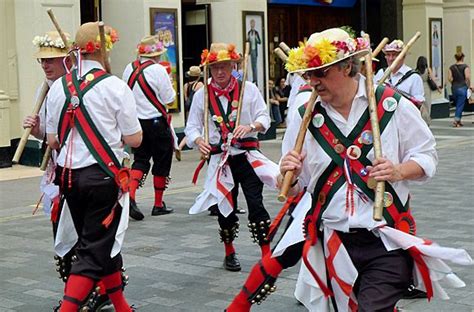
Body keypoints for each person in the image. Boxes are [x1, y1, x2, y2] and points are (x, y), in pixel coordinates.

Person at [226, 27, 472, 312]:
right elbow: (296, 186)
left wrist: (398, 171)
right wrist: (287, 174)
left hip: (386, 240)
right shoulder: (302, 114)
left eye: (321, 73)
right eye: (308, 74)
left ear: (346, 67)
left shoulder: (391, 105)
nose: (313, 81)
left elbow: (427, 156)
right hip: (333, 241)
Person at [46, 22, 142, 312]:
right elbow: (134, 139)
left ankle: (122, 307)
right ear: (104, 48)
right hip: (101, 179)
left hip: (68, 179)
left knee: (100, 245)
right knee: (91, 250)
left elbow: (52, 140)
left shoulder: (59, 87)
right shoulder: (115, 86)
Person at [185, 43, 279, 272]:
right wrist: (199, 141)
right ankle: (230, 252)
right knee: (225, 207)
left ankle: (266, 254)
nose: (220, 72)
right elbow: (191, 128)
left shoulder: (249, 89)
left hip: (247, 156)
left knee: (256, 204)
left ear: (234, 65)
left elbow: (264, 118)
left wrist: (250, 126)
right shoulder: (202, 95)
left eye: (225, 66)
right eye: (215, 67)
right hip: (220, 159)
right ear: (209, 68)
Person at [122, 35, 176, 220]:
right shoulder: (158, 70)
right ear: (156, 55)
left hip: (136, 123)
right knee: (162, 161)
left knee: (141, 159)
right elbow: (169, 99)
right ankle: (158, 203)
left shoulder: (128, 68)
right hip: (156, 122)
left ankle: (131, 195)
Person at [374, 39, 425, 106]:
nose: (390, 58)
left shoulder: (414, 77)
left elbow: (418, 104)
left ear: (403, 57)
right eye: (388, 55)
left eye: (394, 55)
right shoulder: (381, 73)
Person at [416, 56, 442, 126]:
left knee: (420, 105)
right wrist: (438, 88)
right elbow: (433, 79)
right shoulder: (428, 70)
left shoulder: (416, 71)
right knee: (427, 105)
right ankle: (426, 121)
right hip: (426, 88)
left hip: (419, 87)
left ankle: (421, 119)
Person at [448, 52, 472, 127]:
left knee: (458, 104)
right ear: (462, 58)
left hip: (454, 88)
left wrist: (454, 82)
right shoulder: (465, 67)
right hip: (462, 87)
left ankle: (459, 121)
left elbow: (449, 78)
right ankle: (456, 120)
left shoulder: (451, 67)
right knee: (460, 105)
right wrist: (469, 86)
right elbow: (467, 77)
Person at [247, 19, 261, 84]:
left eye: (253, 23)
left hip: (255, 51)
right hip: (251, 51)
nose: (252, 25)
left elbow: (259, 42)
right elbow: (247, 41)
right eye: (251, 23)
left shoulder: (256, 33)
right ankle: (253, 79)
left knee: (255, 66)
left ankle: (256, 80)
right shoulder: (249, 33)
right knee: (252, 66)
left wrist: (256, 38)